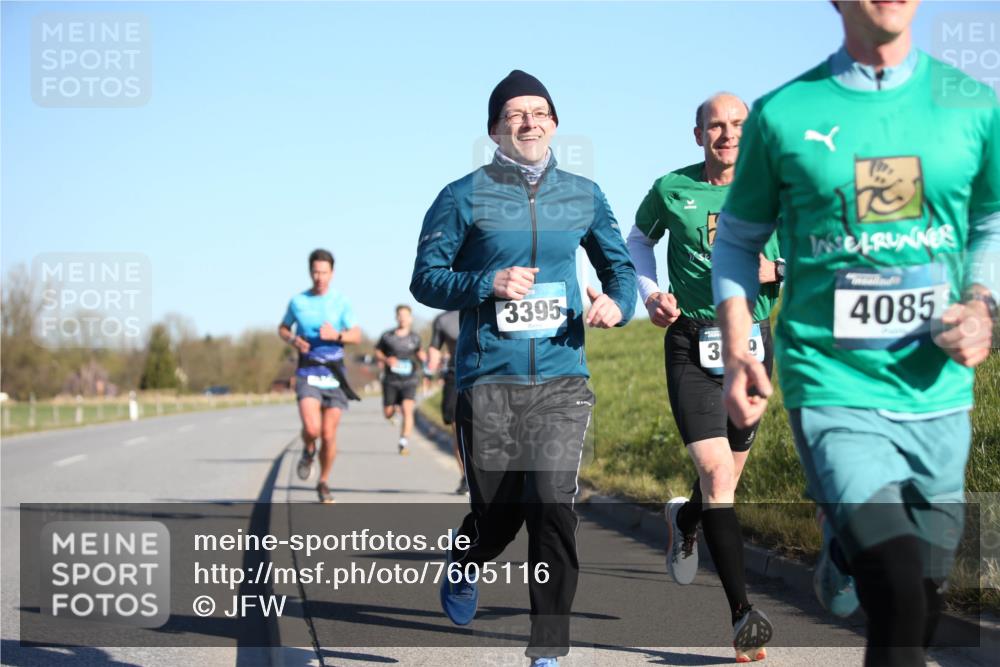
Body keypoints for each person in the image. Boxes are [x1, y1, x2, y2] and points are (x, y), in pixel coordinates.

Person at [712, 2, 998, 665]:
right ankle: (852, 539)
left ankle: (841, 548)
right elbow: (737, 242)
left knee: (923, 593)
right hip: (832, 383)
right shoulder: (784, 113)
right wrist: (739, 347)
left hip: (937, 389)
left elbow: (990, 219)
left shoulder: (974, 105)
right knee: (898, 594)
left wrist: (982, 304)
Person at [410, 69, 637, 667]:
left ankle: (548, 648)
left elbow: (619, 268)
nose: (528, 122)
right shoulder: (461, 196)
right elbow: (425, 280)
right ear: (494, 131)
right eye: (514, 114)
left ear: (555, 123)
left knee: (552, 503)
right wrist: (487, 282)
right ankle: (466, 558)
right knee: (498, 515)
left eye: (539, 112)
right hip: (489, 378)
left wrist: (619, 304)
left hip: (562, 377)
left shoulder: (585, 195)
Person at [628, 92, 781, 663]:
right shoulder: (672, 188)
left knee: (724, 483)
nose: (728, 134)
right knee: (716, 473)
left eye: (738, 124)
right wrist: (651, 292)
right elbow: (638, 239)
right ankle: (742, 616)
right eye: (716, 125)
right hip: (692, 341)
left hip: (753, 344)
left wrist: (776, 268)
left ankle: (685, 519)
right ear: (699, 135)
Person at [279, 249, 363, 504]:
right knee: (312, 428)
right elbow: (283, 328)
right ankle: (308, 449)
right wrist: (294, 340)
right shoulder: (298, 302)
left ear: (332, 273)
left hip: (334, 374)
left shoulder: (341, 302)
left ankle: (323, 481)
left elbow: (356, 335)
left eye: (324, 272)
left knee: (328, 434)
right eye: (315, 272)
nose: (320, 277)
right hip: (308, 371)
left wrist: (336, 335)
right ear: (310, 272)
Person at [374, 304, 426, 455]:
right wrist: (386, 359)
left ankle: (403, 442)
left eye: (406, 316)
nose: (403, 318)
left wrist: (425, 358)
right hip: (391, 380)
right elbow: (377, 352)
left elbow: (420, 353)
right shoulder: (387, 336)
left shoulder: (415, 338)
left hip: (409, 379)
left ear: (410, 318)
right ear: (396, 317)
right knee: (387, 413)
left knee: (408, 410)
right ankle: (393, 412)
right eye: (400, 315)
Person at [426, 309, 466, 494]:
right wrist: (431, 365)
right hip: (454, 376)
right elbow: (435, 347)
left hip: (485, 374)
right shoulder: (443, 319)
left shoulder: (484, 307)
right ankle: (466, 477)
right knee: (458, 428)